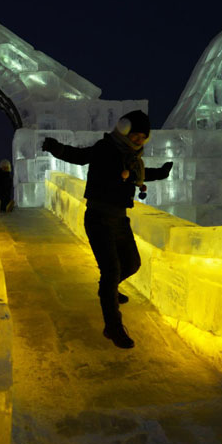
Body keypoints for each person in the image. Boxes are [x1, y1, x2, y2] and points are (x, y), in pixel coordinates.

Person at [41, 110, 173, 349]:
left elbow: (136, 175)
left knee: (132, 263)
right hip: (99, 217)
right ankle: (113, 326)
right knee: (111, 270)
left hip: (120, 219)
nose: (138, 140)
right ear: (124, 130)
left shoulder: (132, 157)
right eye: (135, 135)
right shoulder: (105, 147)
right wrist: (55, 147)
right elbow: (79, 156)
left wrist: (161, 173)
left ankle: (108, 291)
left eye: (143, 137)